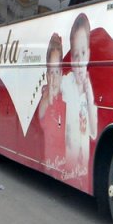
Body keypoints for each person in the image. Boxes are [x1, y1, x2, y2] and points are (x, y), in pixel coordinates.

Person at [61, 13, 97, 184]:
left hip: (82, 162)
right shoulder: (67, 81)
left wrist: (88, 93)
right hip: (69, 158)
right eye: (75, 55)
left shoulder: (89, 89)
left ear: (89, 54)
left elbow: (94, 130)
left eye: (83, 53)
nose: (79, 60)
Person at [38, 33, 66, 167]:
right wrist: (49, 97)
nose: (54, 78)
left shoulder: (65, 101)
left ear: (61, 74)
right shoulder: (44, 100)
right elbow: (42, 120)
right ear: (47, 75)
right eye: (51, 72)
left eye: (57, 72)